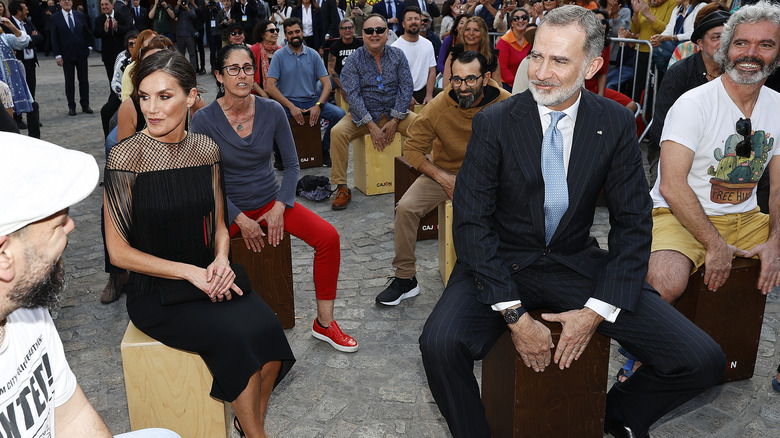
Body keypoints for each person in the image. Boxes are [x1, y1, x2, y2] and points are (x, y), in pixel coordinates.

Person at [418, 6, 726, 438]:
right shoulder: (495, 121)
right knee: (438, 344)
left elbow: (633, 224)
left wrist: (596, 311)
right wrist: (516, 317)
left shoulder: (614, 122)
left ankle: (616, 416)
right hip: (500, 261)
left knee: (701, 358)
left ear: (593, 65)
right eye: (537, 56)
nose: (541, 72)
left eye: (559, 60)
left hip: (574, 262)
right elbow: (471, 223)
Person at [104, 50, 295, 438]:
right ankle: (258, 435)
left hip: (212, 274)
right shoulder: (126, 158)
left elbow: (220, 223)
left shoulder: (206, 150)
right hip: (158, 291)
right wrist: (191, 273)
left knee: (271, 337)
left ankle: (247, 422)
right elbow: (118, 252)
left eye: (164, 96)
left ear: (191, 97)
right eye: (144, 97)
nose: (151, 109)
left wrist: (222, 259)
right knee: (238, 340)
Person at [0, 133, 185, 438]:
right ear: (5, 255)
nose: (71, 225)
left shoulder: (26, 309)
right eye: (58, 224)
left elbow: (71, 416)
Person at [192, 44, 359, 354]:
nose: (242, 75)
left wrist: (280, 207)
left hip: (272, 202)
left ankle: (324, 322)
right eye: (233, 69)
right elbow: (205, 181)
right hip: (228, 211)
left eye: (247, 68)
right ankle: (224, 333)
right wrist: (240, 218)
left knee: (328, 237)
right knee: (205, 261)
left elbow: (293, 166)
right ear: (218, 75)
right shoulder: (203, 120)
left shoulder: (271, 110)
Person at [646, 0, 780, 336]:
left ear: (777, 55)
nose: (751, 53)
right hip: (680, 213)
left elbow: (777, 188)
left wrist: (775, 242)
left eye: (765, 44)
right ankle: (643, 352)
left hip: (747, 218)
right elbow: (671, 186)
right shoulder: (694, 104)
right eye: (741, 43)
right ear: (725, 49)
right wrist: (714, 244)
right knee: (666, 281)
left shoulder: (778, 107)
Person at [376, 50, 511, 306]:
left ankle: (501, 274)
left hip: (490, 174)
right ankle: (406, 279)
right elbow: (413, 149)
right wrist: (443, 178)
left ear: (486, 77)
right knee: (406, 208)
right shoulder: (439, 105)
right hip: (446, 172)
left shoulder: (505, 103)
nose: (463, 87)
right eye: (456, 79)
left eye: (471, 79)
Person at [329, 13, 415, 210]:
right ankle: (342, 187)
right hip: (363, 116)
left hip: (396, 114)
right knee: (337, 133)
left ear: (387, 33)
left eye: (379, 30)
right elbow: (352, 95)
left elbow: (406, 88)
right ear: (363, 35)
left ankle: (421, 179)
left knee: (424, 128)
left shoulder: (398, 55)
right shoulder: (353, 60)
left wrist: (394, 119)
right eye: (369, 31)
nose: (374, 34)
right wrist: (371, 125)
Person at [644, 9, 730, 188]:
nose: (723, 44)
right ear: (700, 43)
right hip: (672, 149)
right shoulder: (679, 74)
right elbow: (661, 127)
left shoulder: (736, 75)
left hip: (722, 152)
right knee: (668, 196)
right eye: (715, 37)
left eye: (728, 38)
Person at [266, 17, 346, 167]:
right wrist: (291, 106)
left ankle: (323, 149)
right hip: (288, 103)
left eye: (297, 31)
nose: (294, 35)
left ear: (302, 32)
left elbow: (327, 84)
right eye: (290, 33)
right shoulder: (279, 56)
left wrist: (318, 105)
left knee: (340, 115)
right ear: (286, 35)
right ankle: (280, 155)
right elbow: (270, 86)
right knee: (270, 120)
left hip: (311, 101)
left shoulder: (313, 54)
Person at [50, 0, 93, 116]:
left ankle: (85, 104)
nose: (67, 2)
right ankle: (71, 106)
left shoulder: (80, 15)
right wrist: (57, 55)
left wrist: (89, 46)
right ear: (59, 3)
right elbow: (54, 37)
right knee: (69, 82)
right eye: (64, 0)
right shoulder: (55, 18)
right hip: (66, 54)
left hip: (81, 53)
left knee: (84, 80)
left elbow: (87, 32)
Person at [8, 0, 42, 130]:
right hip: (17, 64)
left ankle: (32, 118)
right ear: (18, 11)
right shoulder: (8, 25)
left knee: (31, 91)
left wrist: (28, 40)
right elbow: (14, 42)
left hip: (30, 62)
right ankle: (18, 118)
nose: (27, 10)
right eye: (25, 8)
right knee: (17, 90)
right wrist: (29, 39)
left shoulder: (28, 22)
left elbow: (40, 37)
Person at [391, 6, 436, 104]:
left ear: (421, 22)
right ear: (403, 24)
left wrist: (429, 95)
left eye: (416, 19)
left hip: (424, 90)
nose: (413, 22)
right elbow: (393, 78)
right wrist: (406, 96)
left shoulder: (428, 44)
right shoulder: (395, 47)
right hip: (401, 92)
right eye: (409, 19)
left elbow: (432, 71)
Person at [650, 0, 707, 74]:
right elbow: (669, 29)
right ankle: (670, 75)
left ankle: (671, 74)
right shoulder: (677, 9)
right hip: (675, 48)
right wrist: (658, 38)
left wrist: (671, 38)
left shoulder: (701, 6)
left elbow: (693, 33)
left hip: (690, 50)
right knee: (659, 48)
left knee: (664, 48)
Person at [442, 16, 500, 88]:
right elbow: (446, 87)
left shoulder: (491, 56)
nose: (471, 33)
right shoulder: (454, 55)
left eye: (476, 30)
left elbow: (498, 87)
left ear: (483, 34)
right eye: (467, 29)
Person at [94, 0, 134, 82]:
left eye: (106, 4)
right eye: (102, 5)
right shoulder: (99, 19)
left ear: (112, 5)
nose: (104, 7)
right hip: (108, 56)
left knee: (124, 80)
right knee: (112, 80)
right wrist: (104, 29)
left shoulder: (121, 16)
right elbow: (96, 34)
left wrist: (117, 28)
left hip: (122, 55)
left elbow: (128, 31)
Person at [328, 17, 362, 102]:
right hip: (340, 76)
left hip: (357, 75)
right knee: (320, 85)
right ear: (340, 31)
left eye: (350, 27)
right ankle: (320, 106)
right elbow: (331, 68)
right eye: (344, 28)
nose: (347, 30)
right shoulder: (335, 46)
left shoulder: (360, 44)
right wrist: (342, 86)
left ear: (354, 29)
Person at [497, 7, 531, 90]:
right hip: (509, 85)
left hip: (529, 84)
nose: (520, 21)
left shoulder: (531, 39)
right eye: (516, 19)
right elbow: (503, 69)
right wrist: (518, 84)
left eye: (524, 18)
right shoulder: (504, 41)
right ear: (511, 23)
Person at [250, 18, 281, 98]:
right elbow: (250, 75)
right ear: (263, 35)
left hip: (280, 95)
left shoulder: (280, 50)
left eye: (276, 30)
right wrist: (263, 94)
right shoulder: (255, 49)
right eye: (271, 31)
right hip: (259, 95)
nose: (275, 33)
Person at [175, 0, 200, 70]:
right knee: (181, 54)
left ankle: (193, 69)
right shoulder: (178, 8)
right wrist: (178, 5)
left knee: (192, 53)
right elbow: (174, 13)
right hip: (180, 34)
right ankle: (181, 69)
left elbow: (193, 16)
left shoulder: (190, 7)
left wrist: (187, 8)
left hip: (190, 34)